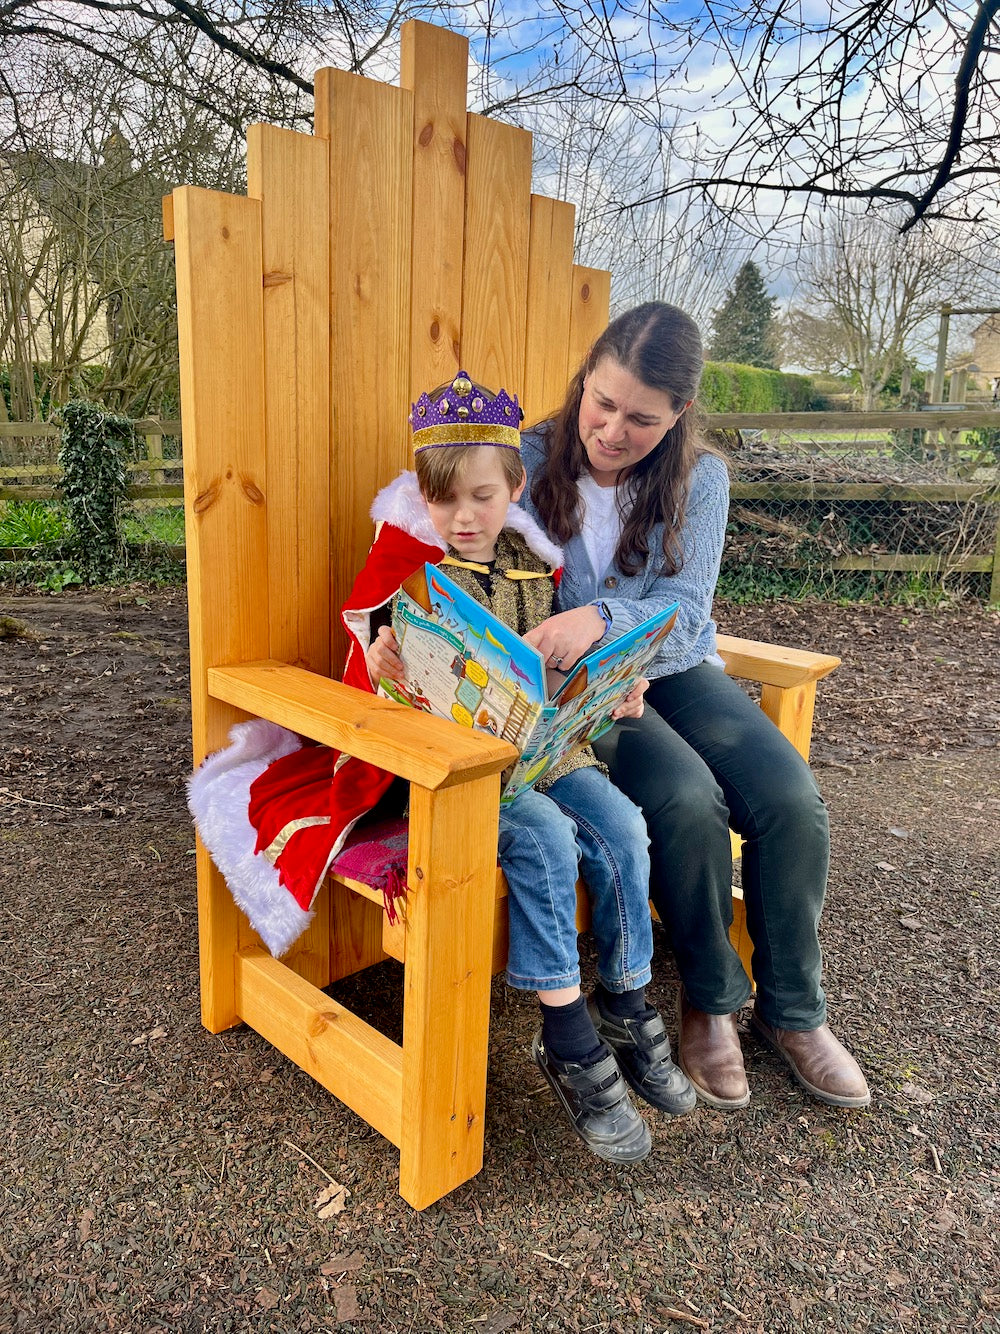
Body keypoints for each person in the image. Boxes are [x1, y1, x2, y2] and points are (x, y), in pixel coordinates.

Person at [190, 371, 696, 1166]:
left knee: (625, 827)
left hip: (547, 753)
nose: (463, 518)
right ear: (422, 498)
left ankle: (627, 1002)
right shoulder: (412, 582)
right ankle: (566, 1039)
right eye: (444, 501)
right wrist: (382, 658)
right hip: (463, 780)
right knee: (545, 846)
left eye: (483, 498)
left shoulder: (543, 573)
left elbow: (556, 677)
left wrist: (613, 689)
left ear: (516, 489)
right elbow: (377, 674)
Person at [516, 303, 871, 1112]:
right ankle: (711, 1000)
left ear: (678, 414)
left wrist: (606, 622)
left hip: (672, 669)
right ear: (586, 380)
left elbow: (683, 611)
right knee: (685, 799)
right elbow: (459, 543)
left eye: (641, 418)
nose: (612, 430)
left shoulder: (698, 477)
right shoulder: (528, 460)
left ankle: (795, 1014)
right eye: (602, 403)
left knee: (790, 800)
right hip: (578, 694)